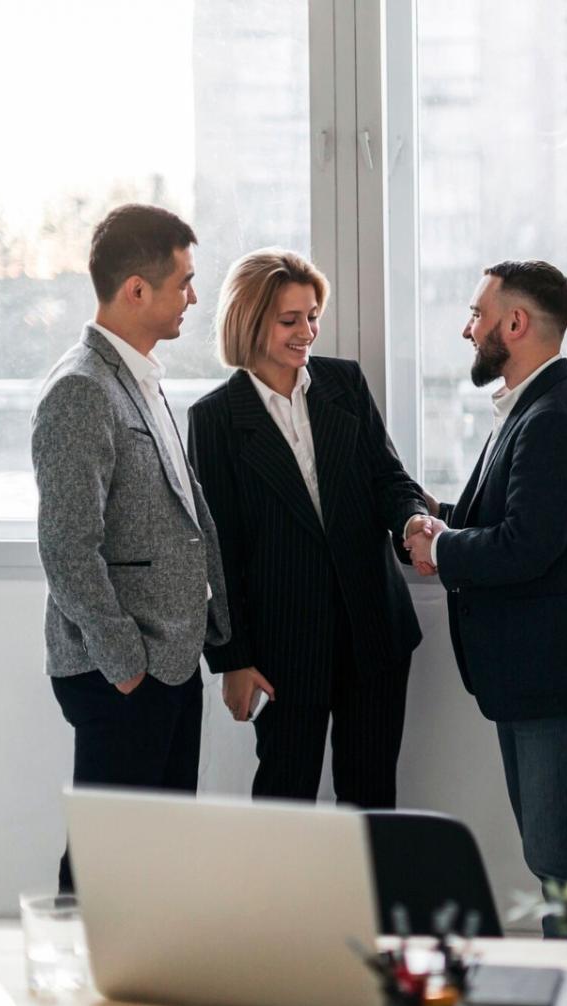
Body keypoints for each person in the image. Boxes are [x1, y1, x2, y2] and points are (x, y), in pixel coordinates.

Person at [403, 260, 567, 931]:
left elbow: (526, 546)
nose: (466, 328)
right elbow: (517, 518)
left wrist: (441, 546)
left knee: (562, 858)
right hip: (535, 675)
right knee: (555, 857)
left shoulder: (555, 415)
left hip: (555, 677)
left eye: (477, 315)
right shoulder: (534, 406)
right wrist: (439, 514)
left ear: (516, 323)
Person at [31, 204, 231, 892]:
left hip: (170, 661)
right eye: (184, 282)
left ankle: (144, 989)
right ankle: (69, 993)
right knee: (103, 866)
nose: (193, 298)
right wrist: (124, 663)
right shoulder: (81, 389)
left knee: (158, 862)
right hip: (125, 671)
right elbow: (65, 547)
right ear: (137, 291)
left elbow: (184, 509)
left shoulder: (139, 376)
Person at [186, 250, 429, 806]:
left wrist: (413, 517)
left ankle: (366, 898)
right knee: (284, 801)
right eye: (290, 320)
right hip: (282, 649)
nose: (308, 332)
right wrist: (232, 660)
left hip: (373, 631)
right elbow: (217, 554)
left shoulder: (344, 384)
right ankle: (282, 900)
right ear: (250, 321)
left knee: (371, 798)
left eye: (313, 316)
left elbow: (388, 477)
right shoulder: (215, 419)